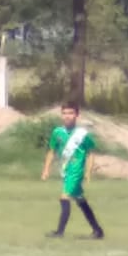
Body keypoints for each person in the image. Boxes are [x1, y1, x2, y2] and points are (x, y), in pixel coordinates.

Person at [40, 102, 104, 239]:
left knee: (64, 197)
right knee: (80, 200)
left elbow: (91, 152)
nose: (67, 116)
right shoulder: (57, 132)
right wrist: (46, 169)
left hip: (76, 170)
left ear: (76, 115)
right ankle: (98, 230)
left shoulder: (82, 134)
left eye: (70, 113)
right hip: (66, 169)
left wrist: (88, 170)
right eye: (64, 113)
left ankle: (59, 232)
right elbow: (51, 151)